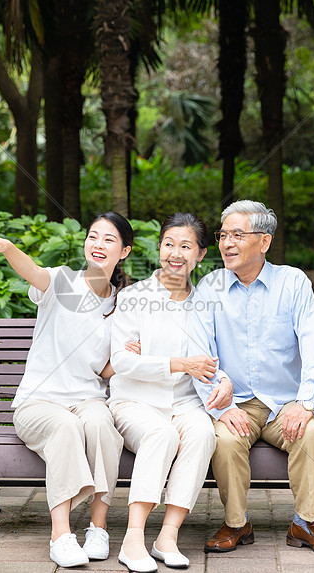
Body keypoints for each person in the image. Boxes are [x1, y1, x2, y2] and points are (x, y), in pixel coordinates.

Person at [0, 212, 133, 568]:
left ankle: (98, 527)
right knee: (66, 427)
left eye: (109, 239)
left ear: (124, 251)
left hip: (88, 399)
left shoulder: (121, 304)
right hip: (39, 404)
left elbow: (105, 369)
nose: (98, 244)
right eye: (93, 236)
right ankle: (60, 534)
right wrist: (8, 248)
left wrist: (129, 356)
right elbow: (33, 271)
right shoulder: (63, 281)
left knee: (102, 426)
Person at [189, 200, 314, 555]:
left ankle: (305, 523)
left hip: (283, 405)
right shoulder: (210, 286)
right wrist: (220, 407)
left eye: (237, 235)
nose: (227, 243)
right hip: (235, 403)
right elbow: (200, 355)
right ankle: (237, 523)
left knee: (308, 434)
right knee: (226, 442)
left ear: (264, 242)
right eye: (222, 235)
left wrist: (304, 403)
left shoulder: (292, 283)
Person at [107, 213, 233, 572]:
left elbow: (209, 357)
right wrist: (180, 363)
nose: (175, 253)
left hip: (185, 402)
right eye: (168, 244)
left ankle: (167, 536)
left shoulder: (205, 302)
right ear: (159, 247)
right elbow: (123, 362)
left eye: (185, 246)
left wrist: (223, 379)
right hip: (134, 401)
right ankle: (133, 539)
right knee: (160, 434)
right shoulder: (134, 297)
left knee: (202, 433)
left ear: (200, 255)